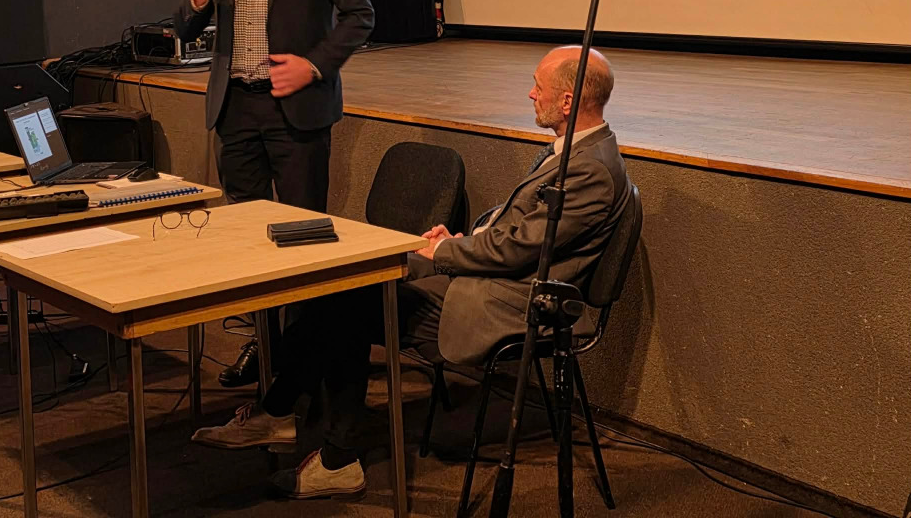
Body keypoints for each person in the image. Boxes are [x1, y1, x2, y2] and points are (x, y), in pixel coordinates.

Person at [192, 46, 633, 500]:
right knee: (344, 286)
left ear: (567, 101)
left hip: (509, 302)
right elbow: (520, 232)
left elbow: (518, 251)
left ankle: (328, 453)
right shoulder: (580, 153)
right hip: (489, 274)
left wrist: (447, 251)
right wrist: (463, 238)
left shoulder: (590, 171)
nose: (530, 94)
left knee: (348, 305)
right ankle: (282, 415)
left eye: (538, 87)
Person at [174, 0, 374, 385]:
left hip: (295, 108)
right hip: (235, 108)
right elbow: (185, 27)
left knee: (300, 234)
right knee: (246, 237)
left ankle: (302, 358)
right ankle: (264, 348)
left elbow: (360, 14)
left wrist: (314, 65)